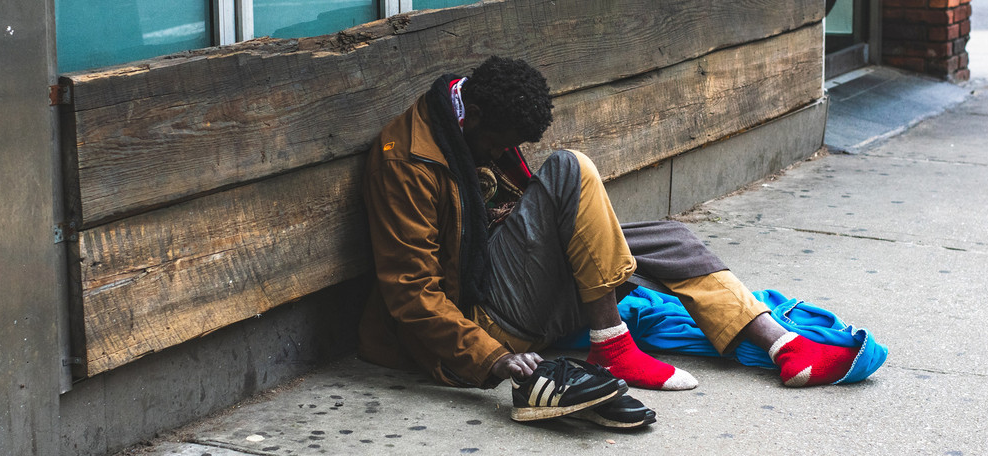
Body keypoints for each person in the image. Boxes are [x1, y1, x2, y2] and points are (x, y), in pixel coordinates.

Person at [357, 56, 860, 426]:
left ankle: (782, 345)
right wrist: (495, 359)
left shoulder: (471, 119)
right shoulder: (405, 160)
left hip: (507, 284)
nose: (500, 153)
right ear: (478, 116)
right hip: (479, 326)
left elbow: (474, 219)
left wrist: (503, 212)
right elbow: (411, 290)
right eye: (496, 143)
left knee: (666, 237)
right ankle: (612, 344)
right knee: (569, 168)